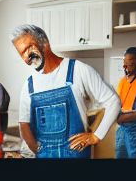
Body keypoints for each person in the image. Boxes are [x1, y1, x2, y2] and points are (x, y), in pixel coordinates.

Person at [12, 24, 120, 160]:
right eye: (22, 53)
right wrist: (36, 149)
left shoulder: (78, 70)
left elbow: (113, 101)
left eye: (30, 47)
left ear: (45, 43)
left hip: (75, 154)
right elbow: (24, 123)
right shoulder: (29, 85)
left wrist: (96, 136)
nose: (28, 55)